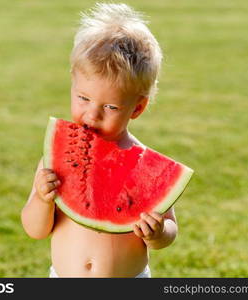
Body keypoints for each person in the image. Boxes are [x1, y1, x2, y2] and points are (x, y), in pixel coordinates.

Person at [21, 3, 178, 277]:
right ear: (72, 84)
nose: (92, 115)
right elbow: (35, 230)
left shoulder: (145, 166)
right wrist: (42, 201)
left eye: (110, 107)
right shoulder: (54, 162)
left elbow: (170, 230)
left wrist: (158, 233)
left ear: (137, 108)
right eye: (83, 98)